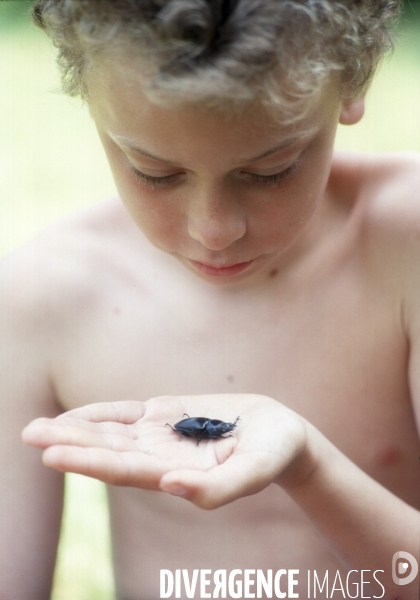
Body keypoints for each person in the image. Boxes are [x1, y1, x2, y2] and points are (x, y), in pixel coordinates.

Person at [1, 0, 419, 598]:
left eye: (272, 169)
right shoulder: (40, 299)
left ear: (352, 82)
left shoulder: (406, 247)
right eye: (154, 171)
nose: (213, 229)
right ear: (88, 96)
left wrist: (309, 468)